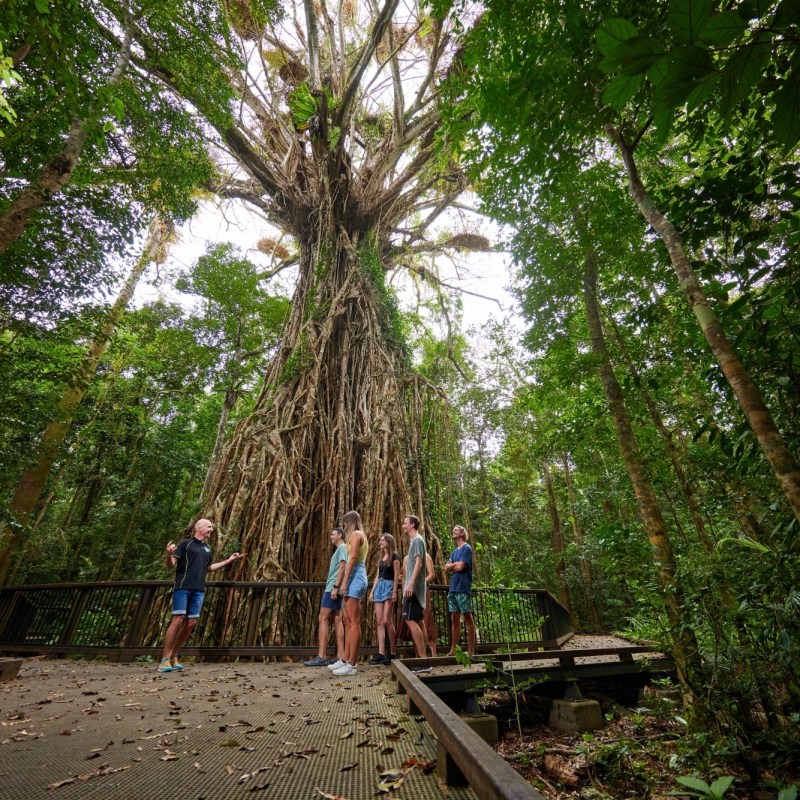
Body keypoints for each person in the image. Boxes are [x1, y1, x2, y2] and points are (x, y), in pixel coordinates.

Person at [158, 518, 242, 672]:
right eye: (209, 527)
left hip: (198, 589)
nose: (212, 529)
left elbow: (209, 568)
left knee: (191, 623)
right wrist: (169, 555)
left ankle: (174, 655)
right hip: (183, 587)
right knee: (177, 620)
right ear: (199, 528)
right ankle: (164, 658)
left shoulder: (207, 548)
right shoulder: (185, 544)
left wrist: (228, 561)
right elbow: (171, 565)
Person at [329, 510, 368, 676]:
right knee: (347, 620)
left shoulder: (356, 535)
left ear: (350, 522)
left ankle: (352, 663)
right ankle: (345, 658)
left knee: (353, 622)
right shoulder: (357, 535)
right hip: (353, 577)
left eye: (345, 523)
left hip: (355, 577)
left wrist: (343, 582)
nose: (344, 526)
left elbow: (352, 559)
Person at [304, 527, 347, 666]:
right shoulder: (341, 549)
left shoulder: (341, 548)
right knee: (337, 619)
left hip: (332, 588)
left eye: (333, 534)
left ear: (340, 535)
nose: (331, 537)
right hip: (335, 587)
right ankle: (340, 655)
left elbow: (342, 567)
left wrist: (335, 587)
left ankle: (321, 656)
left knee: (322, 618)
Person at [368, 533, 400, 665]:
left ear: (388, 542)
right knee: (379, 621)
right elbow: (377, 575)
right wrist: (372, 591)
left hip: (388, 586)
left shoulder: (395, 556)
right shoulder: (381, 557)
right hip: (380, 587)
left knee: (387, 621)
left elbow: (397, 574)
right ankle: (381, 653)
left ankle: (392, 652)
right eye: (380, 540)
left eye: (382, 540)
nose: (380, 542)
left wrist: (394, 592)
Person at [443, 524, 475, 656]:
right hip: (453, 588)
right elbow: (446, 568)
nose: (453, 531)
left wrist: (454, 565)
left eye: (456, 530)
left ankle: (471, 650)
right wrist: (453, 566)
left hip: (463, 587)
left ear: (462, 533)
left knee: (467, 616)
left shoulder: (467, 548)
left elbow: (461, 567)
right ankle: (453, 649)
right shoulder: (454, 552)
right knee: (454, 618)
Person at [401, 514, 427, 658]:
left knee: (410, 620)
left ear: (412, 525)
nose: (403, 525)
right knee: (416, 620)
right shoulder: (415, 541)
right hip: (412, 589)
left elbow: (419, 563)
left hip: (414, 589)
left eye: (405, 523)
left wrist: (410, 584)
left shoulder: (417, 540)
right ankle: (422, 658)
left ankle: (423, 659)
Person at [423, 551, 438, 657]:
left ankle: (433, 655)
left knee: (426, 619)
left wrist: (419, 582)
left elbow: (432, 575)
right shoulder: (409, 558)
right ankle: (419, 654)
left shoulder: (426, 556)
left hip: (423, 591)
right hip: (412, 592)